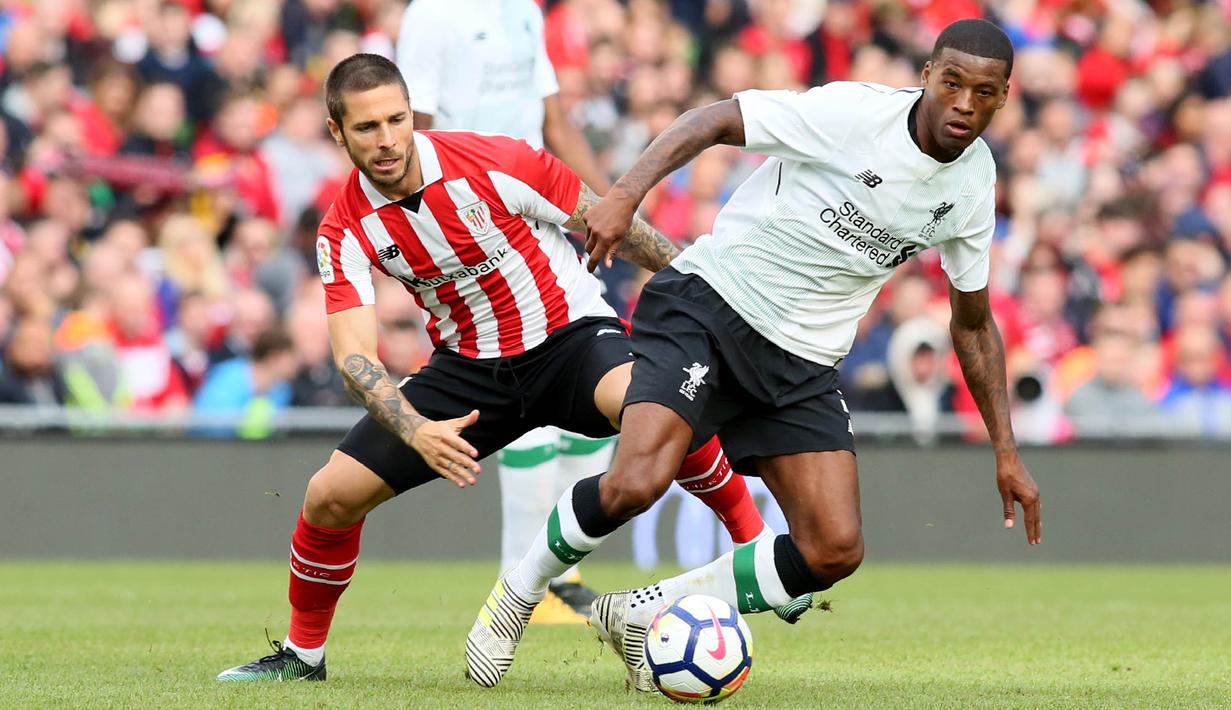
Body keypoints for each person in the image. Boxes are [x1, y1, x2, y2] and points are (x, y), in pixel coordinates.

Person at [467, 19, 1043, 692]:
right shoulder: (852, 114)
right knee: (635, 483)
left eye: (983, 92)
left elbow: (972, 325)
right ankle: (514, 599)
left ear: (1005, 96)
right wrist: (624, 194)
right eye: (951, 84)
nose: (964, 105)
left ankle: (641, 611)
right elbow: (714, 119)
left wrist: (1005, 448)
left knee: (832, 548)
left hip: (802, 362)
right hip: (710, 307)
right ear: (924, 77)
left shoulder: (972, 184)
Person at [216, 54, 795, 684]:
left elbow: (610, 225)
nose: (386, 141)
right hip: (469, 372)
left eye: (396, 120)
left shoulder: (495, 160)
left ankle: (753, 539)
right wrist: (415, 429)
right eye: (366, 128)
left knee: (650, 404)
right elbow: (354, 355)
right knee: (329, 496)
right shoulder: (344, 229)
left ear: (412, 114)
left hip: (571, 338)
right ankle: (303, 658)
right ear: (336, 132)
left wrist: (698, 285)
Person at [396, 0, 624, 621]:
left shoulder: (523, 8)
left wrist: (611, 204)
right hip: (476, 220)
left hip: (540, 205)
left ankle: (562, 574)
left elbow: (552, 120)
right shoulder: (432, 17)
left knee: (598, 386)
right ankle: (520, 582)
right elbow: (410, 131)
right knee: (539, 389)